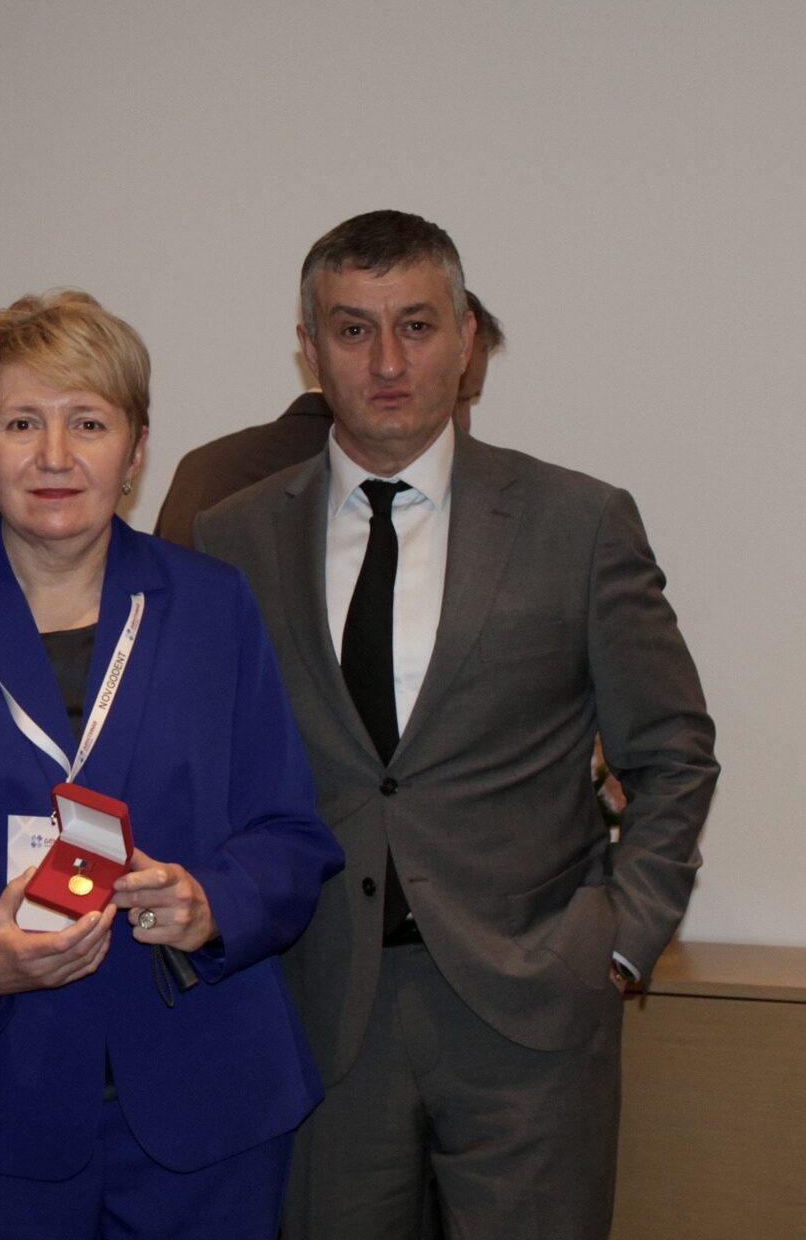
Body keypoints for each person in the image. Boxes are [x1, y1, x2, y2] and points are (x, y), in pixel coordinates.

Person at [194, 210, 718, 1240]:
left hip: (531, 1013)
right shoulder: (232, 537)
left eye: (418, 325)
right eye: (353, 329)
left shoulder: (579, 522)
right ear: (309, 349)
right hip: (320, 1006)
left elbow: (672, 752)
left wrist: (619, 943)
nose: (387, 361)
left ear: (468, 339)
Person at [0, 289, 343, 1240]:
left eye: (90, 423)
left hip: (205, 1102)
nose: (55, 456)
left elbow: (291, 834)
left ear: (137, 451)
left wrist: (211, 902)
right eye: (22, 422)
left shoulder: (213, 607)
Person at [156, 293, 503, 547]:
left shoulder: (200, 467)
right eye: (460, 399)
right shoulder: (372, 482)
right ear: (314, 351)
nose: (465, 422)